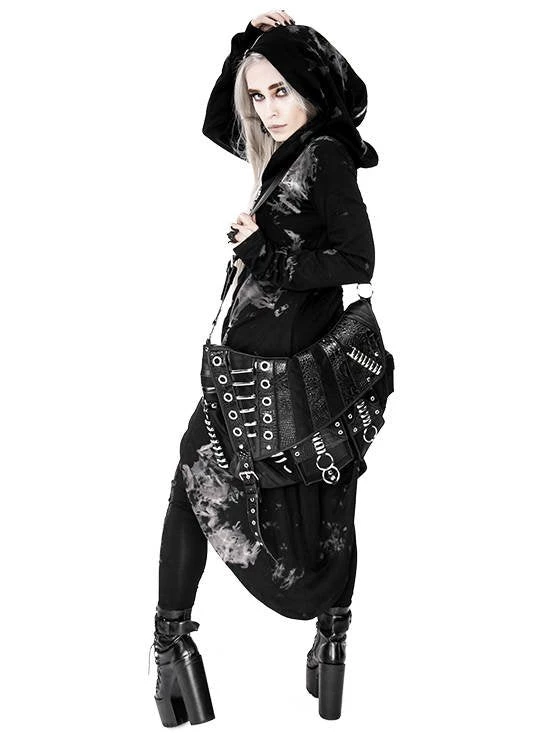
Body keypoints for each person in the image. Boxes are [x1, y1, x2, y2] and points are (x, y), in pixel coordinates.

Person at [150, 9, 394, 726]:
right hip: (269, 359)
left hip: (279, 367)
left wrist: (262, 251)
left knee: (204, 480)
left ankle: (171, 651)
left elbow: (357, 260)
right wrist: (246, 47)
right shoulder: (291, 151)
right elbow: (217, 125)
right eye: (257, 96)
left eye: (280, 91)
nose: (266, 109)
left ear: (312, 87)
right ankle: (330, 643)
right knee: (323, 489)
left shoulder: (326, 155)